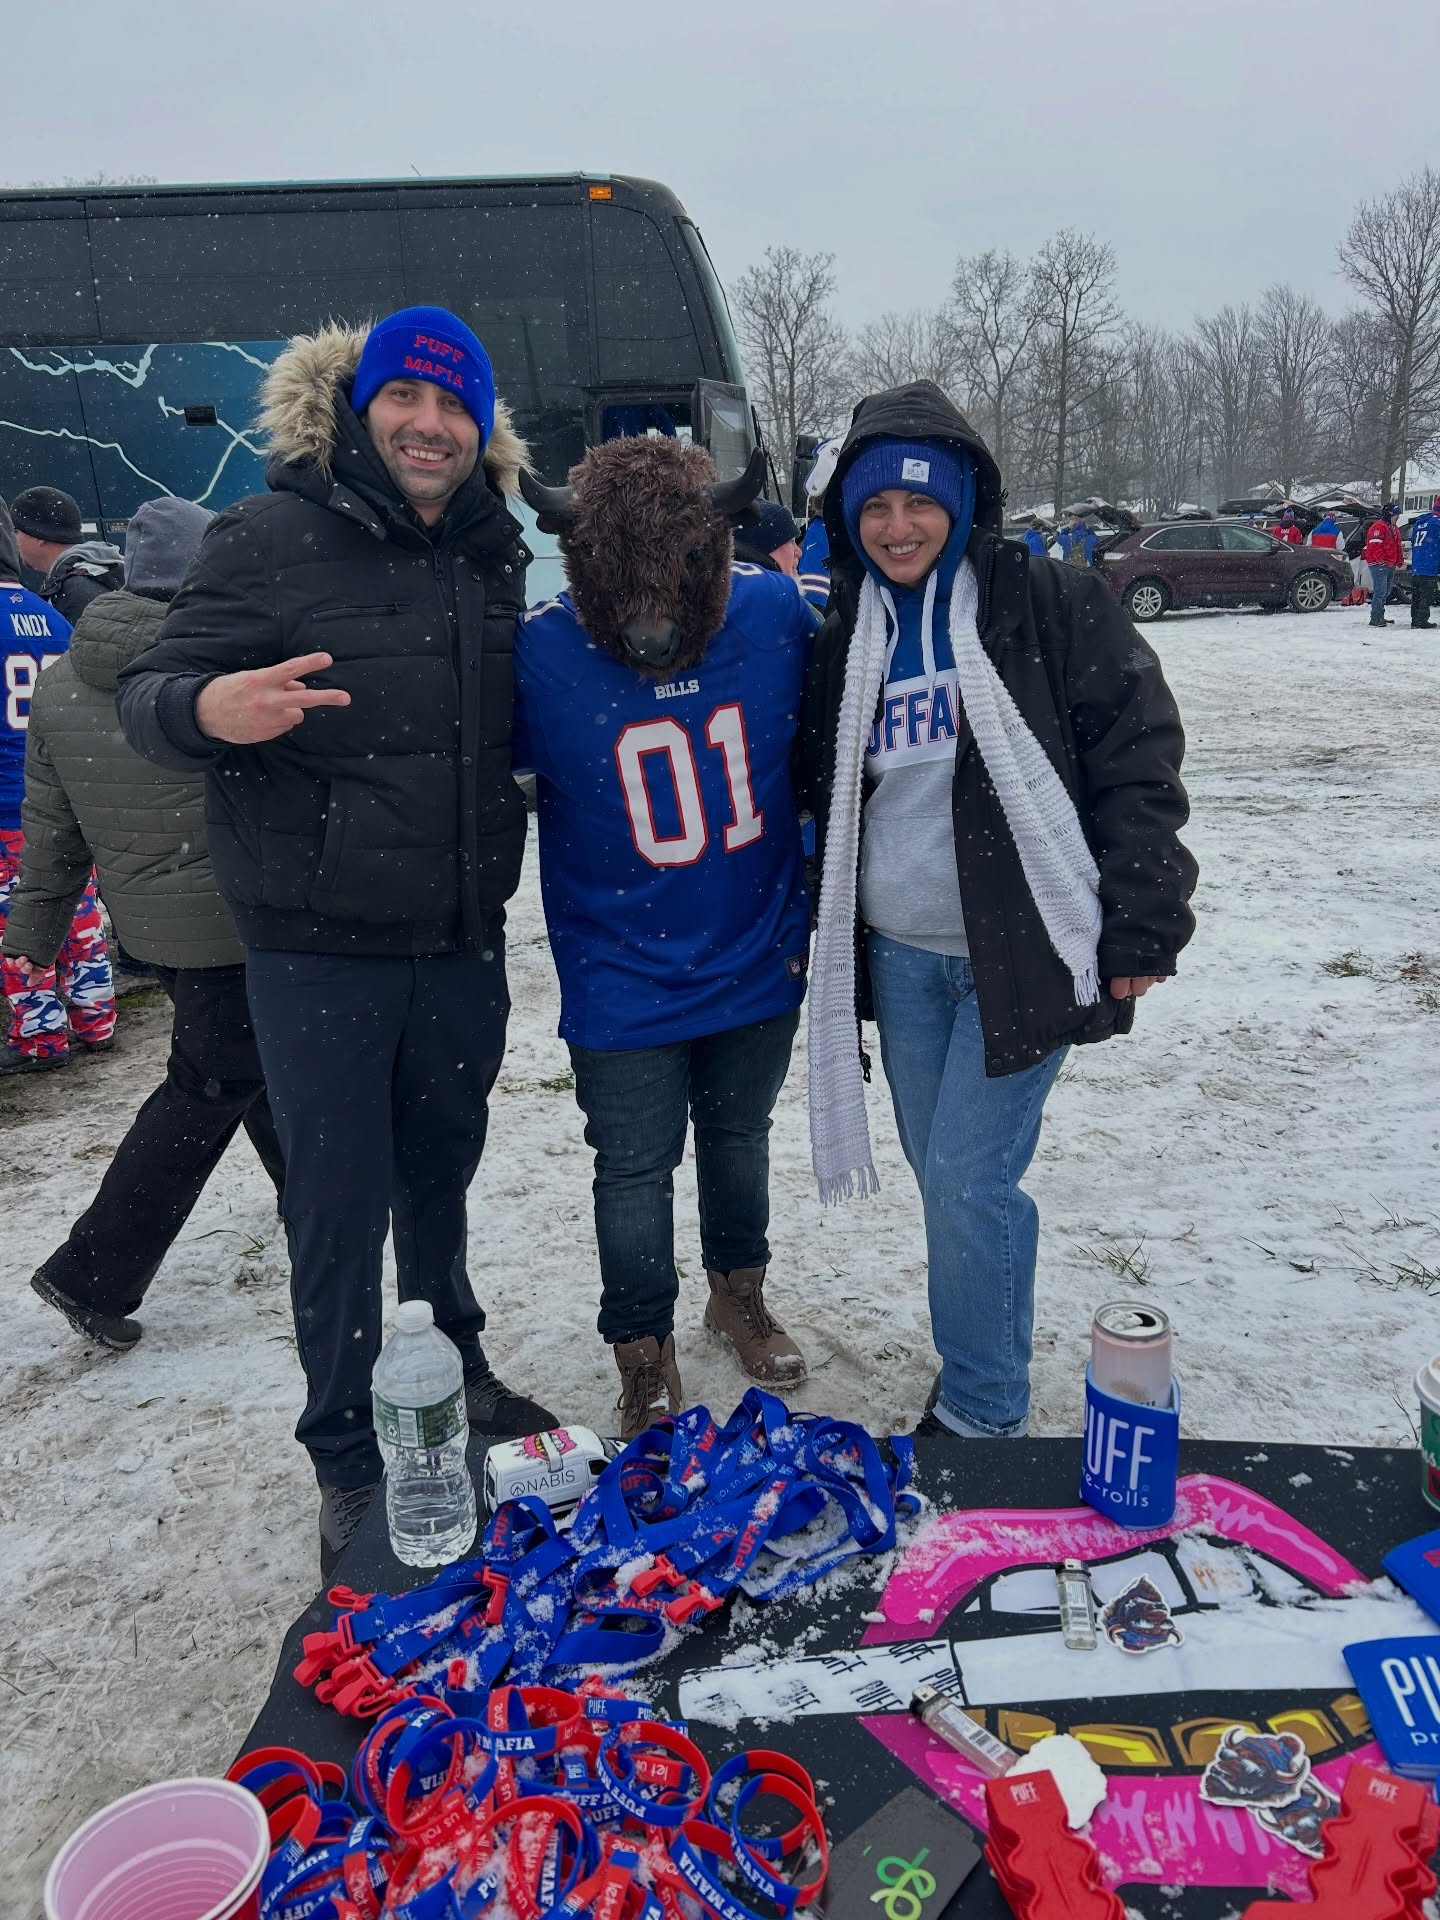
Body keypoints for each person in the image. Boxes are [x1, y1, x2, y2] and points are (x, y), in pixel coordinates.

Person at [117, 307, 556, 1570]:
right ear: (359, 410)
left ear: (482, 430)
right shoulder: (263, 537)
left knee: (441, 1176)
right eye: (407, 402)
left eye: (455, 408)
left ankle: (457, 1366)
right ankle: (346, 1454)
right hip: (317, 948)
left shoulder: (490, 548)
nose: (430, 427)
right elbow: (149, 702)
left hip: (462, 936)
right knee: (336, 1204)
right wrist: (211, 703)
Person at [799, 382, 1196, 1441]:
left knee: (972, 1188)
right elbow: (825, 788)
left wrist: (1143, 922)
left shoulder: (1045, 603)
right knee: (949, 1189)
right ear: (848, 516)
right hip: (901, 960)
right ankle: (978, 1372)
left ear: (966, 501)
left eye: (920, 504)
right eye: (874, 507)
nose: (897, 527)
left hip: (1018, 952)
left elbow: (1136, 760)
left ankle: (981, 1412)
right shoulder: (849, 633)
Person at [516, 438, 817, 1440]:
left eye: (680, 574)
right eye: (620, 581)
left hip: (753, 947)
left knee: (740, 1139)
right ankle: (640, 1346)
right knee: (631, 1172)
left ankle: (738, 1293)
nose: (648, 621)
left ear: (721, 550)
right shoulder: (540, 653)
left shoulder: (777, 616)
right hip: (621, 968)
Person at [4, 497, 286, 1348]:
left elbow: (50, 835)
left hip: (154, 936)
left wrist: (32, 940)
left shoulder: (59, 685)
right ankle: (92, 1271)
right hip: (238, 923)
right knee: (205, 1087)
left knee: (250, 1062)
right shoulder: (220, 674)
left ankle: (316, 1199)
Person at [0, 497, 115, 1075]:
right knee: (77, 905)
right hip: (60, 792)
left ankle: (40, 1035)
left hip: (5, 805)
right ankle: (96, 1015)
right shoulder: (51, 616)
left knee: (18, 918)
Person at [10, 486, 125, 626]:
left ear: (39, 534)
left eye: (16, 531)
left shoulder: (76, 591)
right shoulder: (92, 575)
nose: (13, 540)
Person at [1361, 503, 1403, 627]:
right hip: (1379, 564)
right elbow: (1375, 546)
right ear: (1389, 515)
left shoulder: (1394, 528)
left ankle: (1380, 615)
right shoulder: (1378, 527)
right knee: (1380, 591)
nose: (1398, 517)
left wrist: (1399, 560)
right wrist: (1381, 561)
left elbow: (1397, 546)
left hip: (1389, 564)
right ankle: (1375, 617)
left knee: (1386, 591)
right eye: (1396, 515)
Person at [1409, 495, 1440, 630]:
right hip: (1429, 564)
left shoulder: (1420, 522)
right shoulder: (1437, 523)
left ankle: (1415, 619)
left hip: (1417, 564)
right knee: (1426, 595)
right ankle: (1422, 620)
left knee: (1416, 594)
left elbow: (1413, 541)